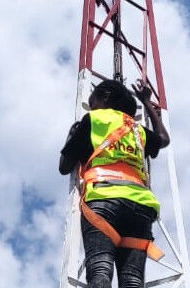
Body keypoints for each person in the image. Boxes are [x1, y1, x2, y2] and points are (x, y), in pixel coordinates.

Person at [59, 79, 169, 287]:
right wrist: (146, 102)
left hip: (103, 200)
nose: (91, 106)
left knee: (100, 269)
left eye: (93, 101)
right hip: (141, 206)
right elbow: (163, 139)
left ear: (104, 97)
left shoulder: (94, 120)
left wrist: (72, 134)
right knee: (133, 280)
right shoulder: (136, 129)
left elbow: (65, 167)